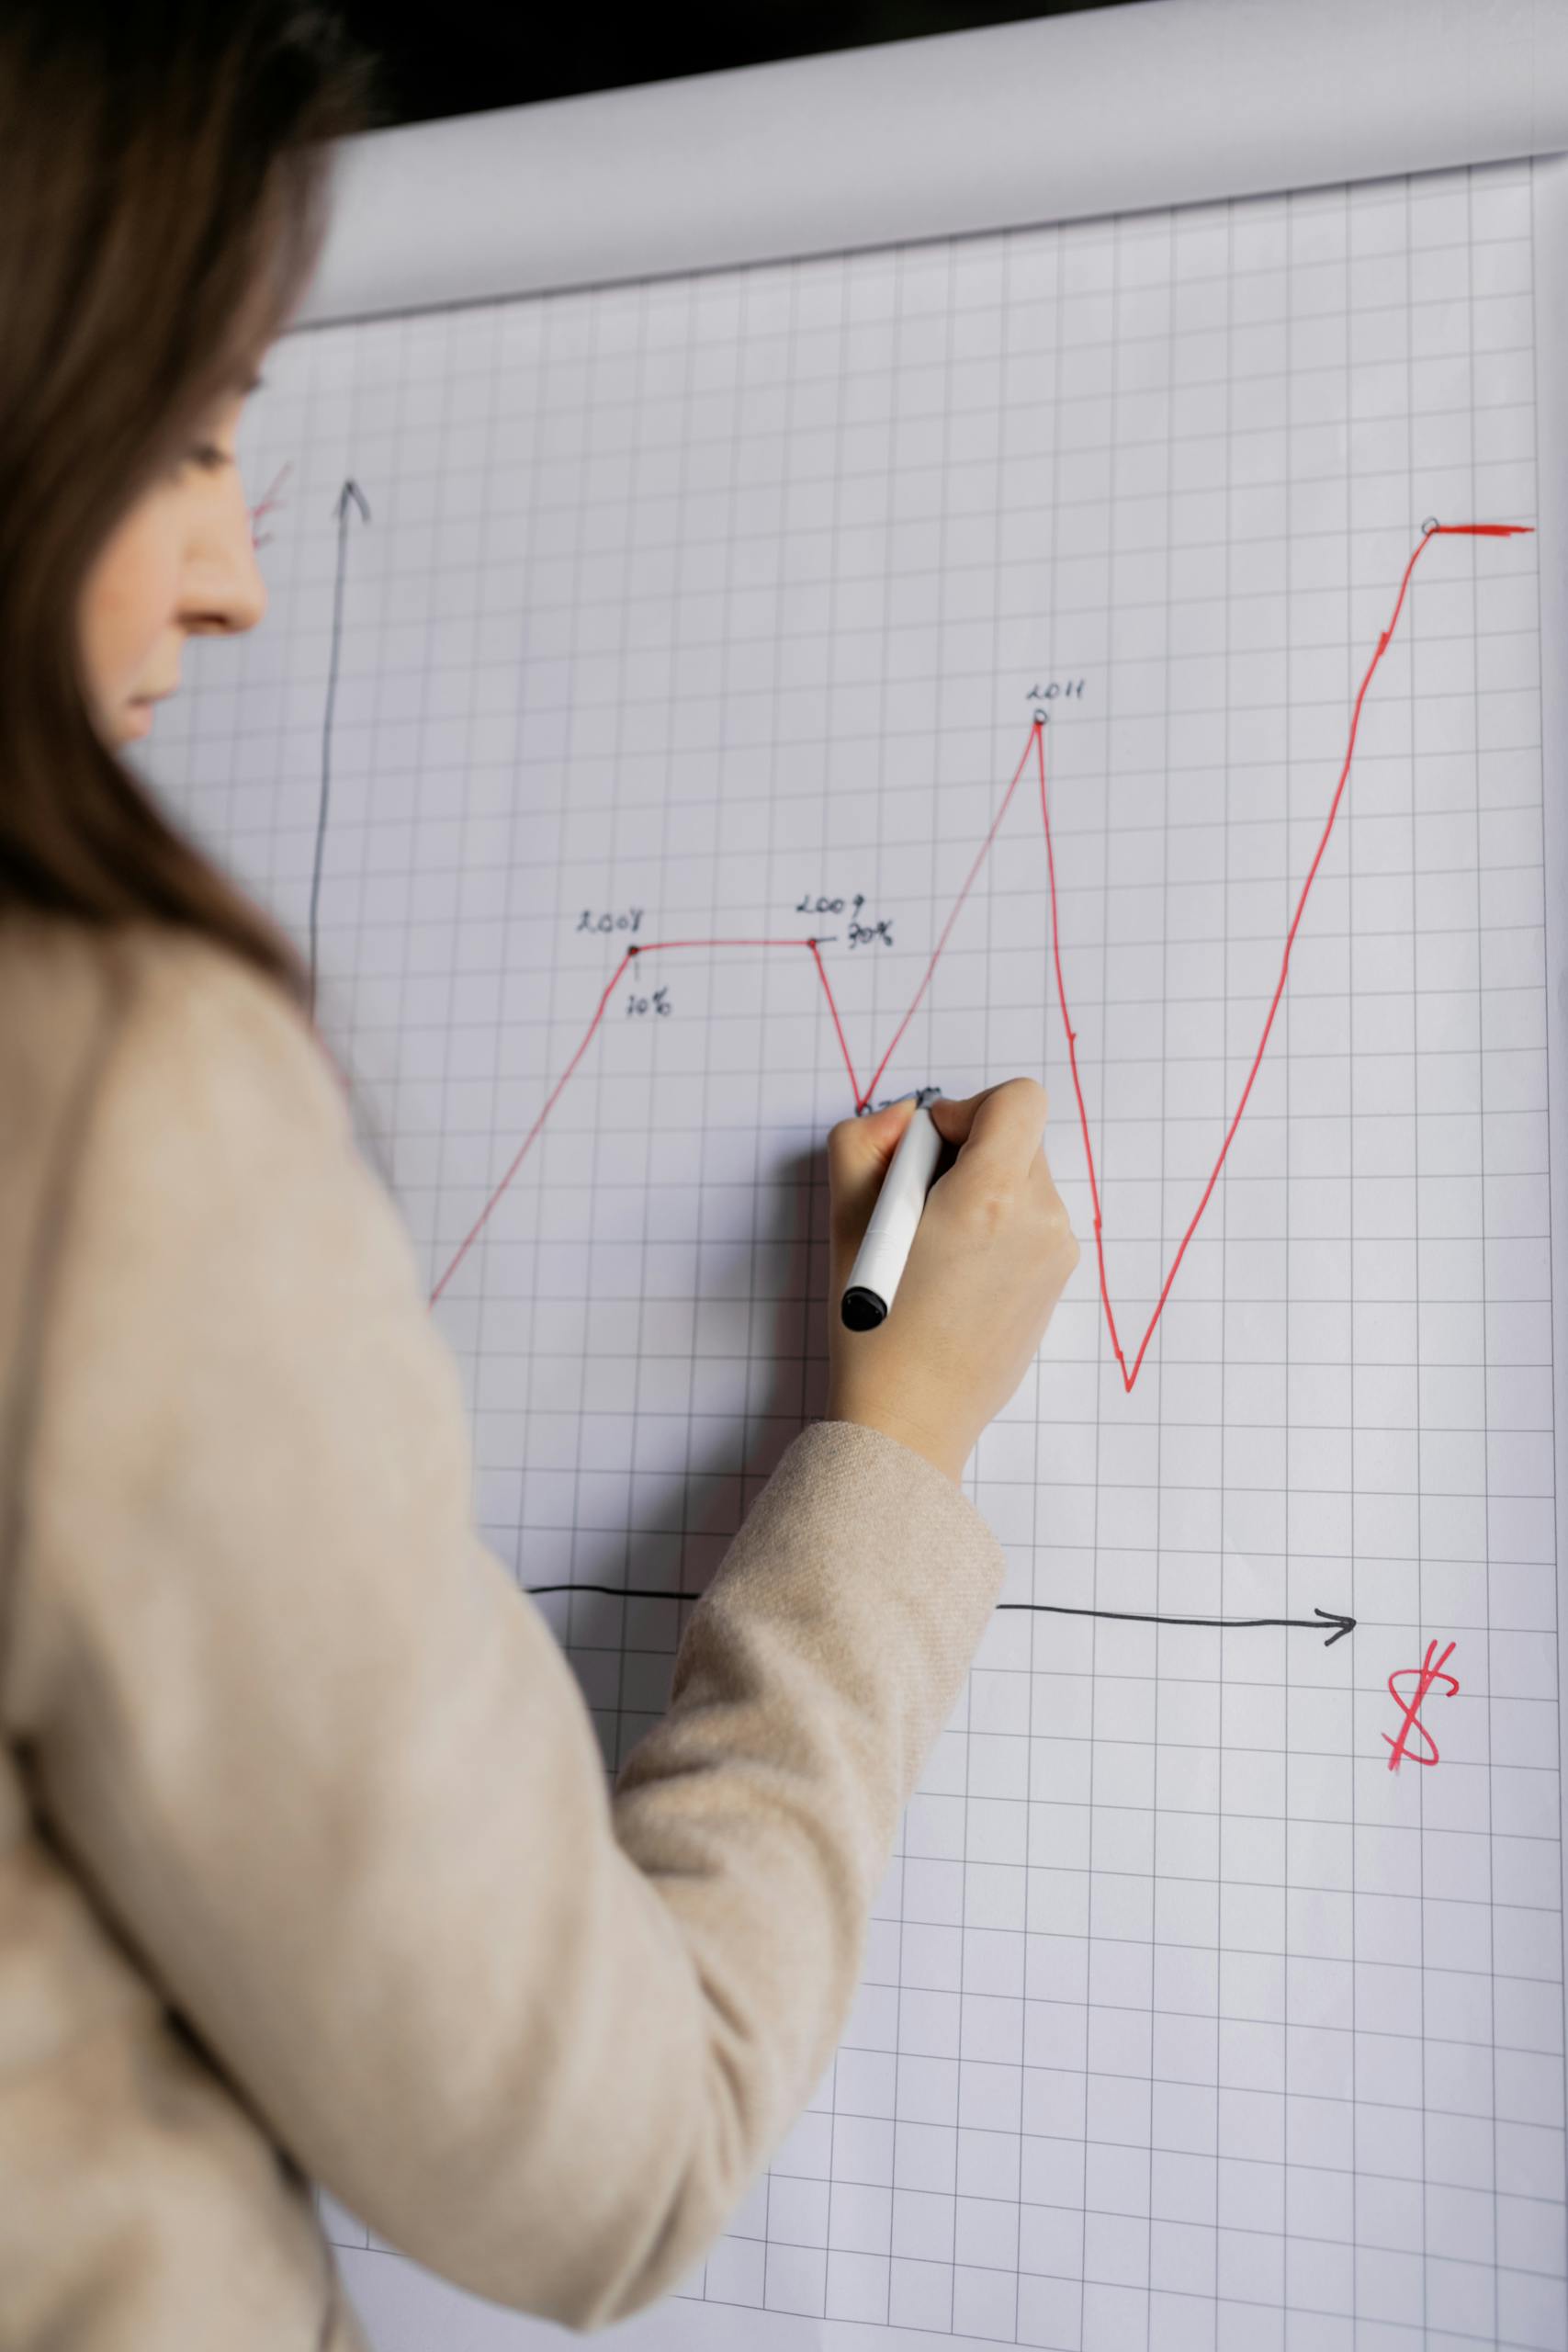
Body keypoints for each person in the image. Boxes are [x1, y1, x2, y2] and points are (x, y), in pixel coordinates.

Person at [0, 6, 1079, 2345]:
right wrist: (890, 1462)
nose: (233, 580)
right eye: (186, 438)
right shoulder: (95, 1093)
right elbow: (612, 2166)